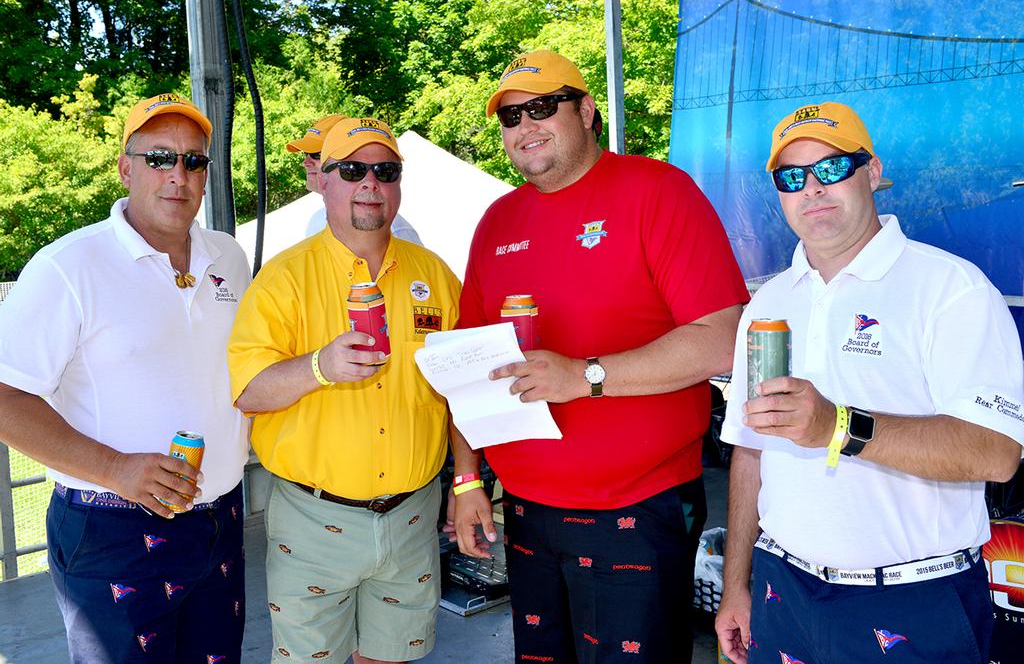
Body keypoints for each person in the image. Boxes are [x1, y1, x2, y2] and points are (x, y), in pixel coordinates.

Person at [450, 49, 749, 662]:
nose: (524, 126)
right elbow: (465, 367)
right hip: (528, 512)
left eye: (541, 107)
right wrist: (464, 480)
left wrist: (585, 376)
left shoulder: (657, 192)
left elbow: (720, 335)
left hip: (636, 510)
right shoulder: (498, 221)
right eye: (510, 117)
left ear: (586, 110)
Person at [714, 101, 1024, 664]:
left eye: (831, 168)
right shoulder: (769, 301)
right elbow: (752, 451)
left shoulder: (950, 288)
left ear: (873, 172)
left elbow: (997, 453)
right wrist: (737, 583)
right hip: (783, 589)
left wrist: (838, 426)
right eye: (791, 176)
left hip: (914, 598)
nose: (811, 188)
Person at [0, 93, 251, 661]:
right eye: (158, 158)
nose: (177, 176)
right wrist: (116, 468)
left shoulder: (228, 257)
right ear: (125, 167)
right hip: (112, 530)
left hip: (220, 518)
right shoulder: (69, 266)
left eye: (193, 160)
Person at [228, 116, 461, 663]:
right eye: (353, 169)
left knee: (391, 659)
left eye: (385, 170)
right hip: (312, 521)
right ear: (322, 179)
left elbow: (462, 394)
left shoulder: (438, 276)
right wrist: (318, 367)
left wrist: (468, 481)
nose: (370, 184)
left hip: (412, 515)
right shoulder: (282, 279)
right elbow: (248, 391)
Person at [286, 114, 423, 245]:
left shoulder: (396, 232)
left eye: (317, 154)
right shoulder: (316, 220)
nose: (306, 162)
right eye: (306, 154)